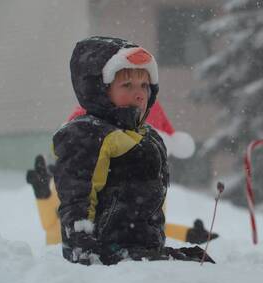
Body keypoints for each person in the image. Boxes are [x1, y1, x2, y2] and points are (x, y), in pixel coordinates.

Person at [50, 36, 214, 265]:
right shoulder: (88, 134)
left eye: (144, 86)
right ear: (100, 90)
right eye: (127, 85)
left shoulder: (148, 135)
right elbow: (78, 196)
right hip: (106, 253)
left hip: (140, 250)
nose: (139, 94)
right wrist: (83, 247)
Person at [26, 102, 217, 246]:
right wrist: (43, 195)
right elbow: (53, 226)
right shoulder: (77, 173)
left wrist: (188, 235)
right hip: (65, 265)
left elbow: (149, 228)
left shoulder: (146, 183)